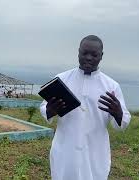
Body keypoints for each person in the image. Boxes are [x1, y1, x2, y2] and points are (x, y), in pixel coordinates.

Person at [40, 35, 131, 180]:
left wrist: (118, 114)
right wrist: (50, 110)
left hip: (95, 154)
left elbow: (122, 124)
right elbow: (44, 107)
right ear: (78, 52)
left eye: (94, 55)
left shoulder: (111, 86)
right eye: (84, 53)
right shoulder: (62, 79)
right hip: (65, 150)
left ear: (101, 56)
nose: (88, 58)